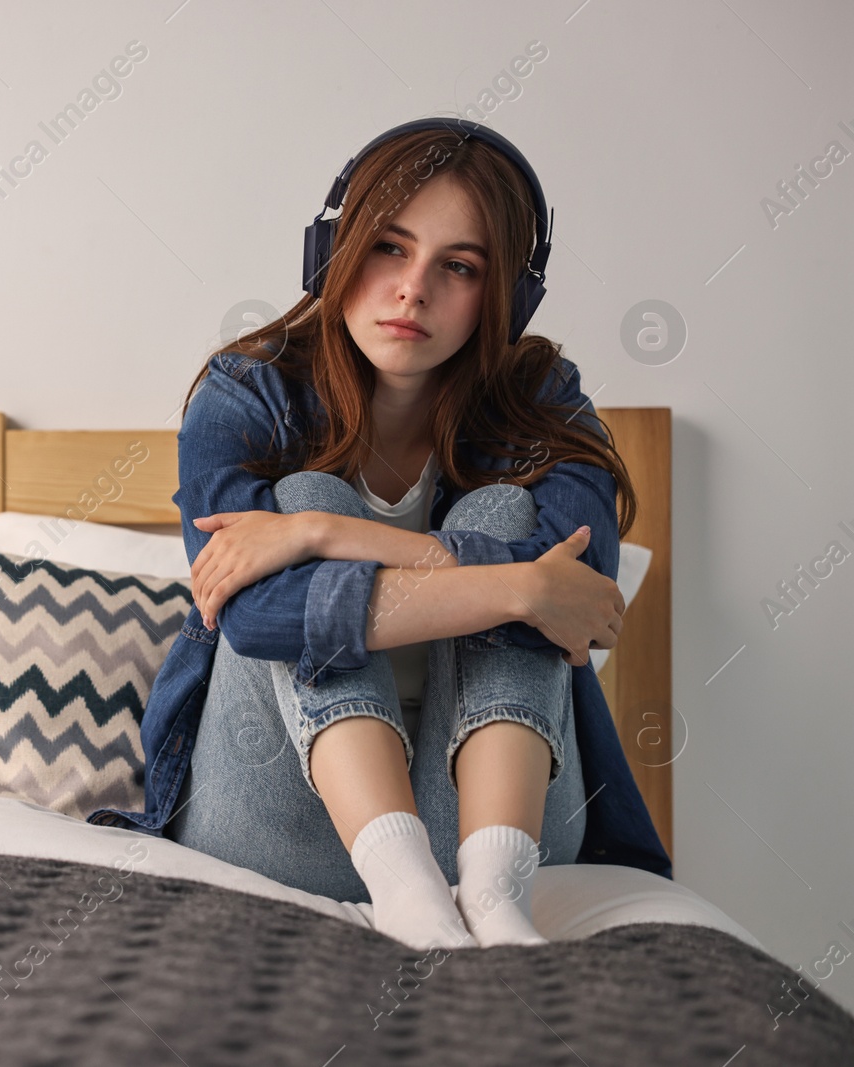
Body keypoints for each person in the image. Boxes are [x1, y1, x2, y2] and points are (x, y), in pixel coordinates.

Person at [92, 121, 662, 951]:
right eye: (389, 249)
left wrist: (322, 536)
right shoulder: (246, 392)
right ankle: (404, 889)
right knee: (307, 489)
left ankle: (497, 905)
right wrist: (516, 586)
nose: (412, 289)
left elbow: (582, 597)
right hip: (277, 814)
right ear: (333, 250)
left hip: (491, 822)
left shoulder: (542, 396)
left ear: (504, 295)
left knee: (492, 512)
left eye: (458, 266)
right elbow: (257, 618)